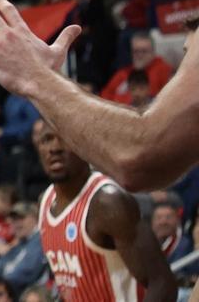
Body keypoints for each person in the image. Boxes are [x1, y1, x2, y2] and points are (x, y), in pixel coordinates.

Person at [0, 0, 199, 194]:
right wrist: (51, 80)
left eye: (187, 55)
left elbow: (141, 156)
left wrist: (36, 78)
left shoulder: (106, 203)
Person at [33, 118, 176, 301]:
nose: (55, 148)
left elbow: (163, 284)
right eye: (47, 139)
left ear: (85, 146)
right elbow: (73, 286)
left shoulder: (108, 203)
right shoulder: (44, 203)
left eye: (66, 138)